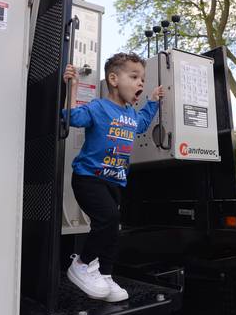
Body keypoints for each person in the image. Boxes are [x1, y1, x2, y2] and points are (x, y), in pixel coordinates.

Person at [61, 52, 164, 302]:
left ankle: (105, 275)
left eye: (143, 78)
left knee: (113, 229)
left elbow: (140, 125)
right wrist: (71, 87)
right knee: (108, 218)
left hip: (114, 181)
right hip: (89, 178)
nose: (141, 82)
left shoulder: (130, 114)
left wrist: (152, 102)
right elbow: (71, 117)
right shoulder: (98, 107)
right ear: (114, 79)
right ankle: (82, 265)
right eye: (135, 76)